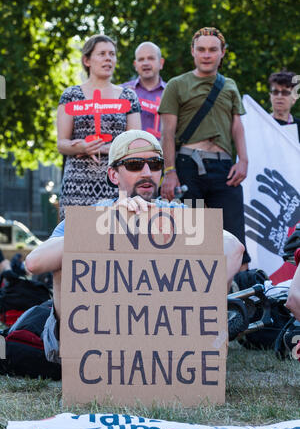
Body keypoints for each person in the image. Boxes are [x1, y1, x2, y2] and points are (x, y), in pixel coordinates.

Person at [25, 130, 245, 363]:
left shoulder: (175, 212)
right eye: (134, 164)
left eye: (155, 164)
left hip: (166, 332)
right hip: (94, 342)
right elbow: (35, 262)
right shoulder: (93, 215)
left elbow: (233, 249)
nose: (147, 173)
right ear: (113, 175)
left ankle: (188, 342)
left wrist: (166, 229)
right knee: (65, 255)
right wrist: (116, 221)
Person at [158, 27, 250, 269]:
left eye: (212, 49)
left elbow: (237, 126)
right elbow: (166, 132)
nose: (206, 54)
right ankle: (194, 300)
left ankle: (244, 303)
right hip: (188, 166)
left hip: (224, 169)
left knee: (235, 240)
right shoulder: (177, 85)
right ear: (193, 52)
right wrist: (169, 172)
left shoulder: (229, 85)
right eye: (201, 49)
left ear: (222, 53)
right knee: (193, 239)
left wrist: (243, 160)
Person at [57, 34, 142, 219]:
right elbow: (62, 143)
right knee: (75, 240)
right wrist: (81, 147)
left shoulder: (128, 96)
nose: (108, 58)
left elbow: (136, 143)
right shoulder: (71, 95)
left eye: (112, 54)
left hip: (116, 181)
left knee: (115, 239)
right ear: (87, 60)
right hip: (77, 184)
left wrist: (104, 149)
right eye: (102, 54)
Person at [122, 42, 166, 135]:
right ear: (135, 65)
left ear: (161, 63)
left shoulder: (171, 93)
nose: (145, 63)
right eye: (141, 59)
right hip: (131, 148)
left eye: (151, 58)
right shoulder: (122, 91)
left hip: (162, 148)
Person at [268, 69, 300, 141]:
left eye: (285, 93)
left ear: (294, 98)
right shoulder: (260, 124)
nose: (279, 97)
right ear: (270, 96)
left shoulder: (299, 126)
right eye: (275, 92)